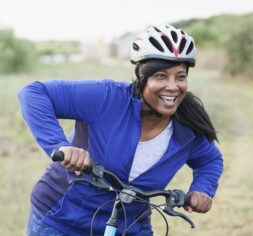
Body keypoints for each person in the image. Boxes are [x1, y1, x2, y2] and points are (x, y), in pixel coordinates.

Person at [18, 24, 223, 236]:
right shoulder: (108, 99)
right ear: (143, 77)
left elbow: (210, 160)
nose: (172, 86)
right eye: (161, 76)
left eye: (180, 76)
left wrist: (202, 189)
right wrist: (61, 145)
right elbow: (34, 93)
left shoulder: (188, 128)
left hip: (129, 226)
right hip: (59, 220)